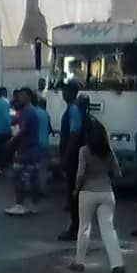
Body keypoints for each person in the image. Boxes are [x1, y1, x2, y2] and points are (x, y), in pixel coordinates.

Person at [70, 113, 124, 273]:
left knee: (84, 227)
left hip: (87, 191)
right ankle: (117, 264)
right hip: (107, 192)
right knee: (108, 229)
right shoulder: (109, 151)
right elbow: (118, 173)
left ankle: (79, 262)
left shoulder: (84, 151)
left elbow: (80, 174)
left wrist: (76, 188)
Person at [5, 88, 42, 216]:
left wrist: (11, 141)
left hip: (25, 150)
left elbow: (23, 130)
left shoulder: (28, 111)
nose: (19, 98)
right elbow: (16, 123)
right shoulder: (25, 111)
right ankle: (33, 205)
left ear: (28, 97)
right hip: (30, 149)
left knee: (18, 176)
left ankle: (20, 204)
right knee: (32, 178)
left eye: (21, 96)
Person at [56, 82, 84, 241]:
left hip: (73, 157)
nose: (63, 93)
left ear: (72, 92)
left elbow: (74, 134)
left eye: (65, 91)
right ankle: (76, 226)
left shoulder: (73, 110)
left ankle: (75, 228)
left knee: (74, 193)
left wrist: (66, 156)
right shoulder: (71, 109)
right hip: (72, 156)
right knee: (73, 192)